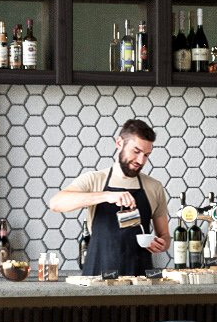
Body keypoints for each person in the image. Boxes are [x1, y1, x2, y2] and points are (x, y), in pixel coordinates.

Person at [47, 117, 171, 276]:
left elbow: (165, 235)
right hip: (97, 276)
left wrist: (163, 244)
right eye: (136, 151)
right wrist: (105, 196)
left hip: (140, 278)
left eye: (146, 155)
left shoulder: (154, 187)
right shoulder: (94, 180)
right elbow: (56, 203)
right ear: (119, 143)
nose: (141, 160)